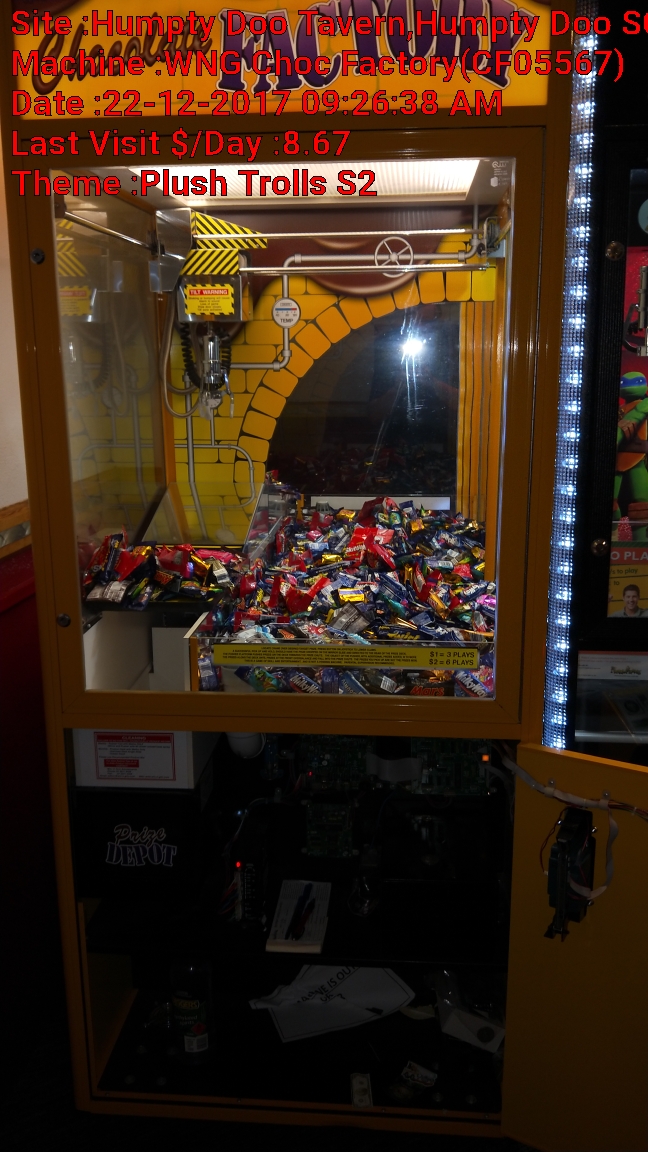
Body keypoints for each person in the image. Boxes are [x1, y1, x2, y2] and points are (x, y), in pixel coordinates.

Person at [614, 372, 648, 541]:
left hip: (638, 458)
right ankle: (611, 534)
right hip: (617, 460)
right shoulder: (619, 410)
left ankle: (641, 541)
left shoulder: (644, 406)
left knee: (642, 502)